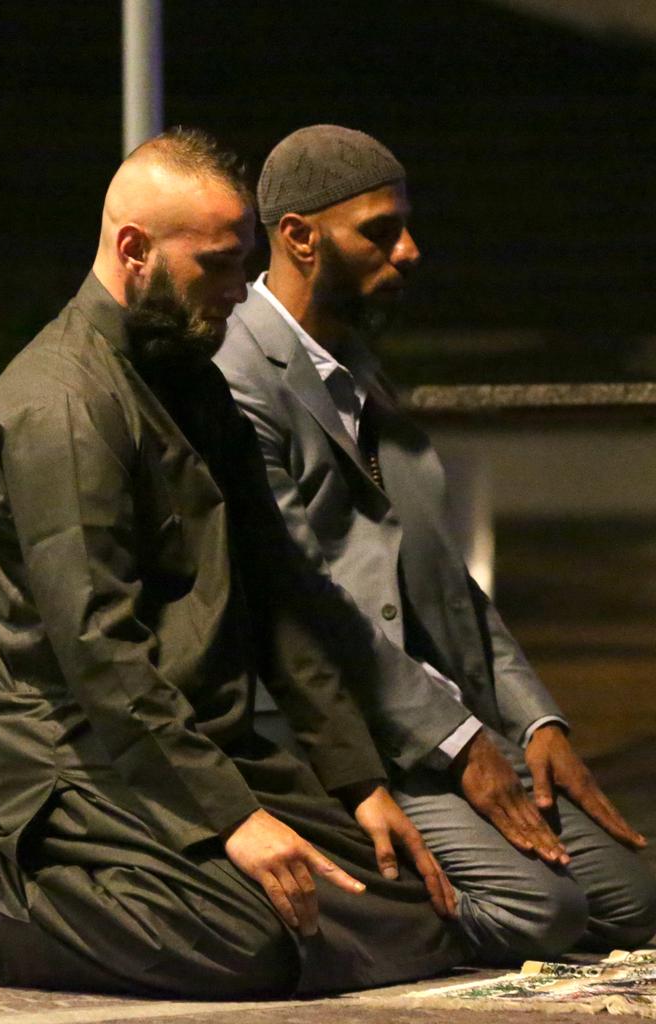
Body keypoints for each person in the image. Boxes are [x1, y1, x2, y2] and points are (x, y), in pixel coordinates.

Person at [0, 129, 464, 996]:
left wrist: (355, 780)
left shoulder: (186, 373)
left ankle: (173, 882)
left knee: (413, 913)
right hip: (70, 761)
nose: (242, 290)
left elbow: (277, 594)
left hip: (182, 737)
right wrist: (234, 819)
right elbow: (99, 654)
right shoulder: (65, 407)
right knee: (253, 943)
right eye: (220, 267)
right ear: (134, 250)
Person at [215, 124, 656, 965]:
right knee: (542, 915)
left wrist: (536, 723)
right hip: (348, 733)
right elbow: (311, 600)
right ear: (300, 237)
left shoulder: (354, 361)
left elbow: (444, 581)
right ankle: (321, 930)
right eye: (379, 232)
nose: (409, 250)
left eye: (405, 226)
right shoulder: (241, 376)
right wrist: (458, 747)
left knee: (630, 901)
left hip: (443, 716)